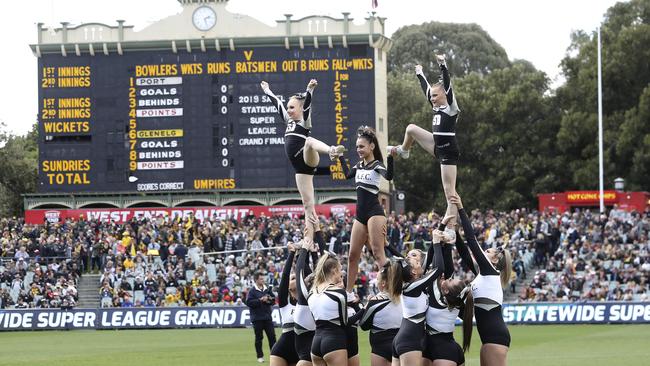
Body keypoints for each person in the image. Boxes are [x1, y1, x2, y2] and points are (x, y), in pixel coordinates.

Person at [261, 79, 345, 249]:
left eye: (292, 107)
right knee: (308, 205)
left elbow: (307, 108)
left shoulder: (304, 122)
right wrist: (268, 91)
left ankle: (331, 151)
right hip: (300, 169)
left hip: (309, 158)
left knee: (309, 141)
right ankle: (313, 241)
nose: (289, 110)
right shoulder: (289, 122)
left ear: (300, 108)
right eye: (289, 107)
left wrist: (309, 91)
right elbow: (277, 105)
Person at [388, 54, 460, 239]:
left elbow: (448, 84)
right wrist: (419, 73)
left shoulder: (451, 107)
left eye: (436, 96)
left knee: (449, 192)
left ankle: (451, 228)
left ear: (445, 95)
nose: (432, 99)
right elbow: (426, 89)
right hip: (437, 145)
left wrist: (442, 65)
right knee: (411, 129)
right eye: (432, 96)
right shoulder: (436, 106)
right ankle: (404, 151)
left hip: (448, 153)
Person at [451, 196, 511, 366]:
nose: (484, 252)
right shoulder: (483, 275)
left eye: (488, 251)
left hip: (495, 337)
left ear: (494, 260)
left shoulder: (490, 273)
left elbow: (471, 241)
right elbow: (464, 253)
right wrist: (454, 231)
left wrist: (462, 209)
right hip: (490, 338)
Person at [339, 126, 395, 299]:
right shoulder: (358, 166)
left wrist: (390, 157)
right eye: (357, 147)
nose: (359, 150)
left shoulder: (377, 165)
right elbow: (348, 174)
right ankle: (348, 293)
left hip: (375, 213)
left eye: (362, 146)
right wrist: (340, 156)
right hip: (360, 215)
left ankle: (389, 290)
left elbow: (389, 176)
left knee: (378, 253)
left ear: (371, 146)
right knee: (352, 255)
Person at [391, 230, 446, 366]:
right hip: (409, 341)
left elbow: (427, 260)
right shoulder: (412, 287)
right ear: (414, 272)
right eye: (416, 264)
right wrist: (437, 243)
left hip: (404, 338)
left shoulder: (412, 285)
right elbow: (439, 269)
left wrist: (438, 238)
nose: (420, 264)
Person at [424, 226, 474, 366]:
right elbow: (448, 267)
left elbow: (438, 268)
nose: (450, 278)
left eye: (451, 280)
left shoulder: (438, 299)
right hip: (452, 350)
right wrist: (447, 244)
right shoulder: (457, 302)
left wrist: (436, 243)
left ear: (446, 291)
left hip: (437, 350)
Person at [352, 261, 402, 366]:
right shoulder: (403, 298)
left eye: (377, 279)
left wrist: (364, 306)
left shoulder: (375, 301)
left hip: (380, 348)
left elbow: (363, 325)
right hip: (400, 346)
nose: (376, 282)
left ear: (383, 283)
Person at [307, 251, 348, 366]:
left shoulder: (312, 293)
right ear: (334, 270)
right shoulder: (339, 293)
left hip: (316, 343)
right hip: (334, 341)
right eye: (340, 270)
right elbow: (345, 323)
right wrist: (363, 310)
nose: (341, 274)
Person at [271, 242, 300, 366]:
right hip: (281, 350)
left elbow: (308, 275)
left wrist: (302, 253)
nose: (295, 279)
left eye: (297, 278)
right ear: (288, 287)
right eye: (292, 279)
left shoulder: (309, 301)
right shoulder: (285, 303)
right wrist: (292, 253)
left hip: (302, 351)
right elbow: (285, 277)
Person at [246, 271, 278, 363]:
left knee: (272, 337)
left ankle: (274, 356)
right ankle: (260, 356)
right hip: (257, 318)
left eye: (263, 278)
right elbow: (249, 303)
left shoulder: (267, 289)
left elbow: (273, 301)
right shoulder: (252, 291)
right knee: (259, 338)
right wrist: (260, 300)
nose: (262, 280)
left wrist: (269, 300)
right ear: (256, 280)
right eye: (261, 279)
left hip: (267, 317)